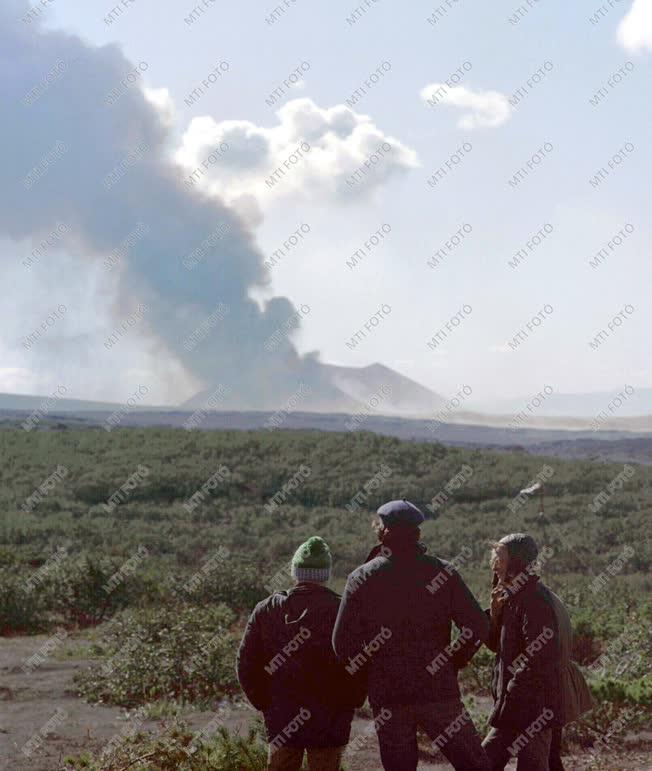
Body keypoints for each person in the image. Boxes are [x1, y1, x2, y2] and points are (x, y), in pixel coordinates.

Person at [333, 499, 491, 771]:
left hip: (389, 695)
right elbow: (478, 625)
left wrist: (370, 674)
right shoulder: (443, 572)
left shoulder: (361, 578)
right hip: (438, 690)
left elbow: (341, 643)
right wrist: (453, 660)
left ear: (382, 532)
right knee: (475, 766)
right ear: (418, 534)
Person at [237, 536, 365, 771]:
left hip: (281, 718)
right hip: (331, 719)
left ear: (296, 572)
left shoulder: (266, 609)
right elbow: (360, 663)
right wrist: (353, 700)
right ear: (325, 574)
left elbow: (246, 664)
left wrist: (264, 703)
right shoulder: (344, 610)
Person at [482, 533, 592, 771]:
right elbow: (498, 647)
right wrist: (495, 614)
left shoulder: (533, 601)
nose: (493, 564)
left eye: (499, 558)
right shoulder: (514, 597)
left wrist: (509, 698)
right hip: (520, 705)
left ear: (517, 563)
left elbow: (539, 659)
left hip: (533, 706)